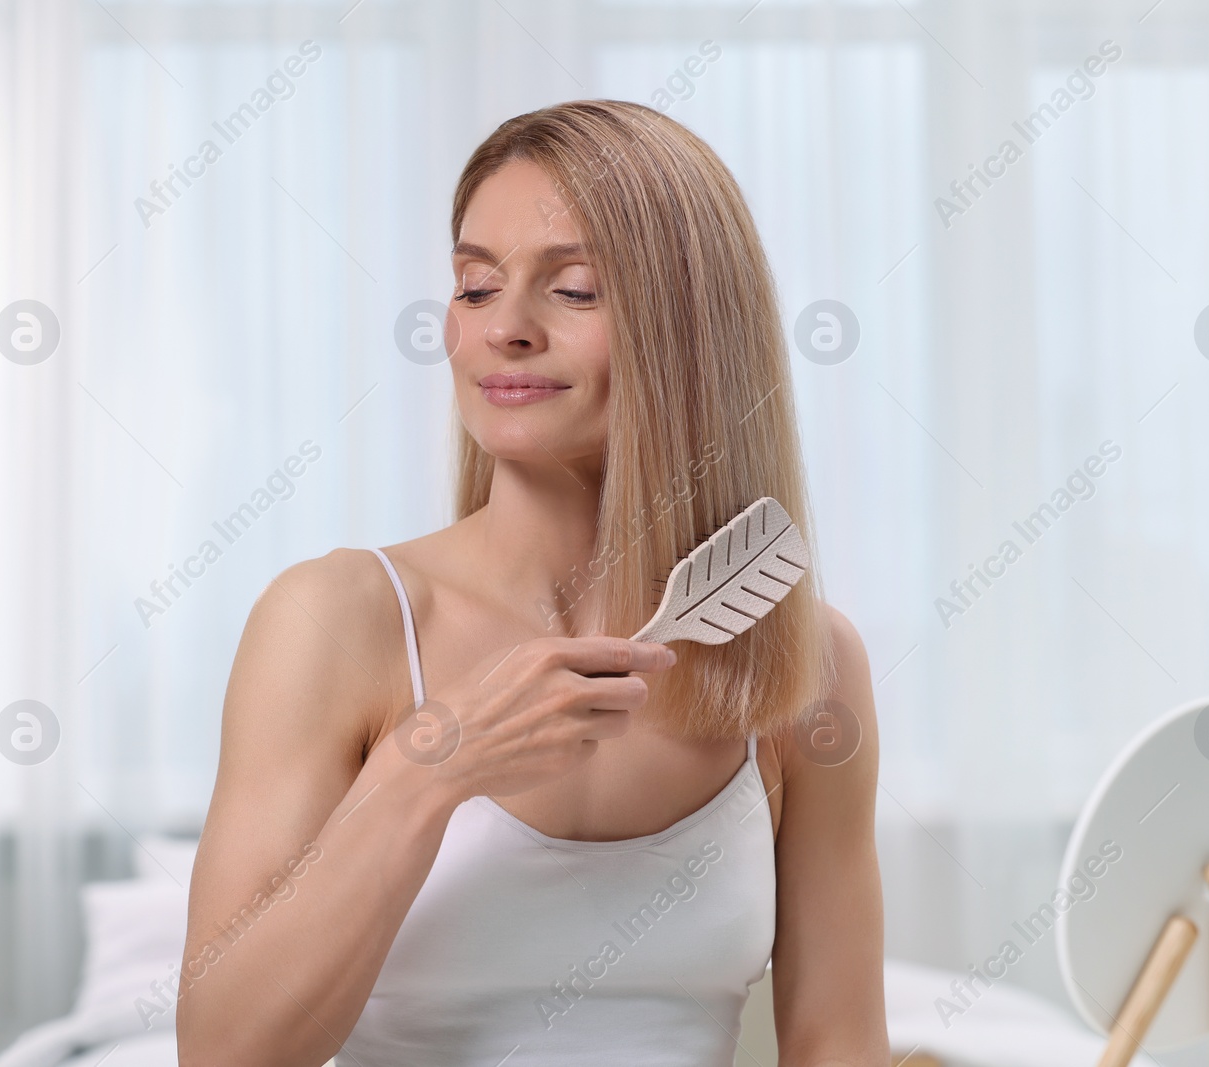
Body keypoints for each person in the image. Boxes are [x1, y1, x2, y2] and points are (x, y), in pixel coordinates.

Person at [176, 99, 886, 1067]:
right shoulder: (338, 621)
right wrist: (428, 770)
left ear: (691, 330)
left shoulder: (807, 661)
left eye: (576, 289)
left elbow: (836, 1041)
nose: (503, 327)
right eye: (474, 286)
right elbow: (223, 1050)